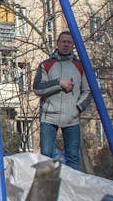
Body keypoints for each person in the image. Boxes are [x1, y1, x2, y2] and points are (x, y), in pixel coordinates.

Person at [33, 30, 91, 171]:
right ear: (57, 44)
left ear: (73, 45)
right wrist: (59, 83)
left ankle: (73, 189)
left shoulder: (80, 66)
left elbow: (88, 91)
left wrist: (78, 108)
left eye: (69, 42)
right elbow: (38, 88)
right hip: (49, 117)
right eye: (63, 41)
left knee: (73, 156)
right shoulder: (46, 65)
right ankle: (46, 189)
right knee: (46, 155)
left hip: (72, 118)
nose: (66, 44)